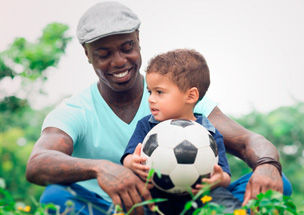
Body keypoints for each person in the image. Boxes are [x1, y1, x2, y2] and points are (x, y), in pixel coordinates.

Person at [25, 1, 292, 215]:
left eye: (127, 47)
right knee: (55, 196)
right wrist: (102, 168)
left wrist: (268, 164)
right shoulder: (76, 110)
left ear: (138, 40)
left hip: (194, 202)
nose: (118, 61)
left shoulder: (181, 96)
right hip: (118, 209)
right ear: (87, 54)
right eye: (104, 54)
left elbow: (248, 141)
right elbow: (38, 162)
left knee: (275, 184)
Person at [121, 49, 242, 214]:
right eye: (150, 92)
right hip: (155, 191)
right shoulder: (146, 125)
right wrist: (131, 162)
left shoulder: (209, 132)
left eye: (160, 92)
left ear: (191, 96)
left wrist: (219, 179)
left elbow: (224, 174)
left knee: (225, 202)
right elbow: (128, 156)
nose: (150, 98)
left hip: (198, 195)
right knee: (132, 199)